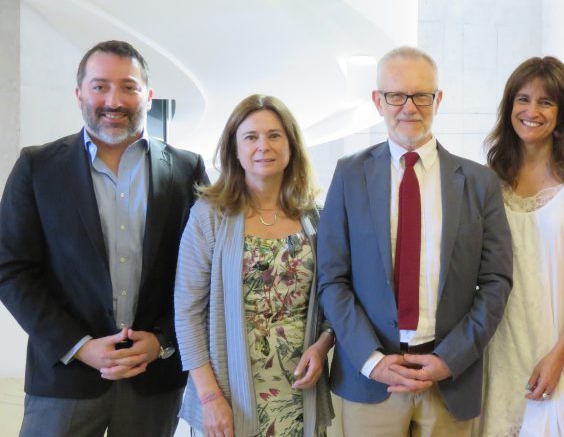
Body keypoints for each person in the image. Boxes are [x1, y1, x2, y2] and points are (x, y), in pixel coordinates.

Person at [0, 40, 207, 436]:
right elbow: (11, 271)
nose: (114, 100)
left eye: (128, 87)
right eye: (100, 86)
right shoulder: (37, 167)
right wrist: (80, 346)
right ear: (79, 94)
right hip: (64, 380)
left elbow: (203, 273)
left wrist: (163, 339)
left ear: (148, 95)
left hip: (153, 378)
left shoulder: (187, 170)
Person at [317, 46, 513, 436]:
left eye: (422, 95)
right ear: (378, 101)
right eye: (396, 95)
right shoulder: (349, 175)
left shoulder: (479, 182)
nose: (409, 107)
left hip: (448, 380)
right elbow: (332, 279)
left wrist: (449, 359)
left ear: (438, 100)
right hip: (371, 378)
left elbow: (495, 283)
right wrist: (371, 359)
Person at [175, 94, 334, 437]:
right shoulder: (209, 216)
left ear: (291, 146)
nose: (264, 146)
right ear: (234, 150)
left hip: (298, 390)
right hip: (227, 396)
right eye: (251, 137)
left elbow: (331, 303)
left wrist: (322, 346)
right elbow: (187, 313)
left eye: (275, 135)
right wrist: (210, 397)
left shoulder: (315, 218)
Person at [480, 56, 564, 436]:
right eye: (522, 99)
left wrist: (557, 356)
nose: (532, 111)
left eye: (546, 102)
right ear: (509, 108)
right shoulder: (491, 178)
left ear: (563, 113)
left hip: (563, 345)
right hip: (503, 347)